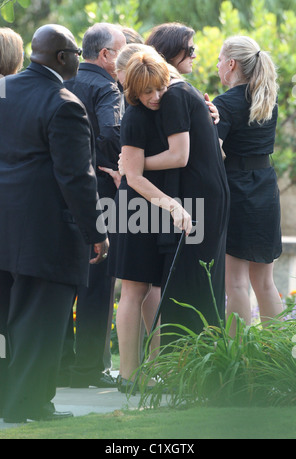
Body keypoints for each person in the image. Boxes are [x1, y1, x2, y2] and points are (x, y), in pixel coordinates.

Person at [0, 24, 108, 424]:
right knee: (40, 325)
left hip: (4, 230)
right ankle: (26, 404)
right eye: (77, 52)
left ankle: (16, 400)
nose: (80, 58)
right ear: (63, 58)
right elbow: (77, 178)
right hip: (45, 234)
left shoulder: (3, 90)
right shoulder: (64, 102)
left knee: (6, 327)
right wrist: (96, 232)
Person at [108, 49, 193, 391]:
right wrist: (171, 205)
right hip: (134, 207)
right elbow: (133, 177)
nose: (155, 97)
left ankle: (152, 371)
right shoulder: (134, 118)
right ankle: (128, 376)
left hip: (155, 206)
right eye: (146, 92)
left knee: (151, 288)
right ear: (133, 91)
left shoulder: (161, 109)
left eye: (158, 88)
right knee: (132, 289)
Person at [142, 23, 229, 346]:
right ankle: (192, 361)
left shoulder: (177, 92)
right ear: (169, 52)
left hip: (200, 195)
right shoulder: (178, 92)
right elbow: (187, 152)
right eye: (189, 49)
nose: (195, 55)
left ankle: (190, 362)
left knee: (195, 279)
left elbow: (181, 154)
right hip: (202, 194)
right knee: (197, 279)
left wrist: (135, 166)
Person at [59, 23, 126, 389]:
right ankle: (89, 368)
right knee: (98, 280)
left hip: (64, 191)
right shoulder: (107, 88)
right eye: (120, 51)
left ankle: (60, 365)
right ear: (105, 55)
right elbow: (112, 132)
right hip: (101, 189)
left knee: (65, 279)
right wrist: (113, 162)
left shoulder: (64, 84)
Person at [212, 36, 283, 333]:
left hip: (237, 189)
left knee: (237, 282)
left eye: (219, 59)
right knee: (265, 282)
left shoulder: (224, 104)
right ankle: (279, 359)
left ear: (231, 64)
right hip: (266, 187)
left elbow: (212, 153)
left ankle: (238, 360)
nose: (217, 66)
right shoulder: (268, 99)